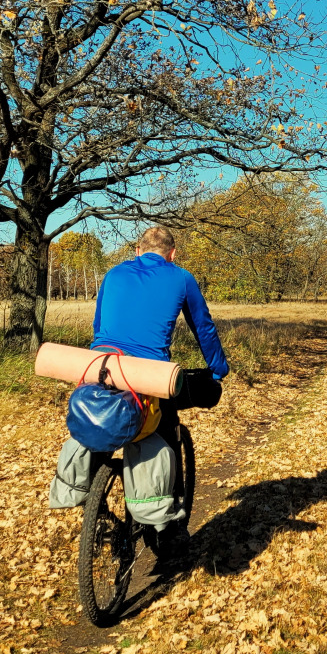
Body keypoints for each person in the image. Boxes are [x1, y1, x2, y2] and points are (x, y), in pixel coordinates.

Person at [87, 225, 227, 559]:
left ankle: (96, 506)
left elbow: (98, 325)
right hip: (146, 375)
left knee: (99, 428)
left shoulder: (113, 273)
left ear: (137, 250)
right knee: (166, 433)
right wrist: (218, 368)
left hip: (101, 367)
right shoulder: (181, 278)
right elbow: (203, 327)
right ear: (172, 253)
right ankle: (169, 533)